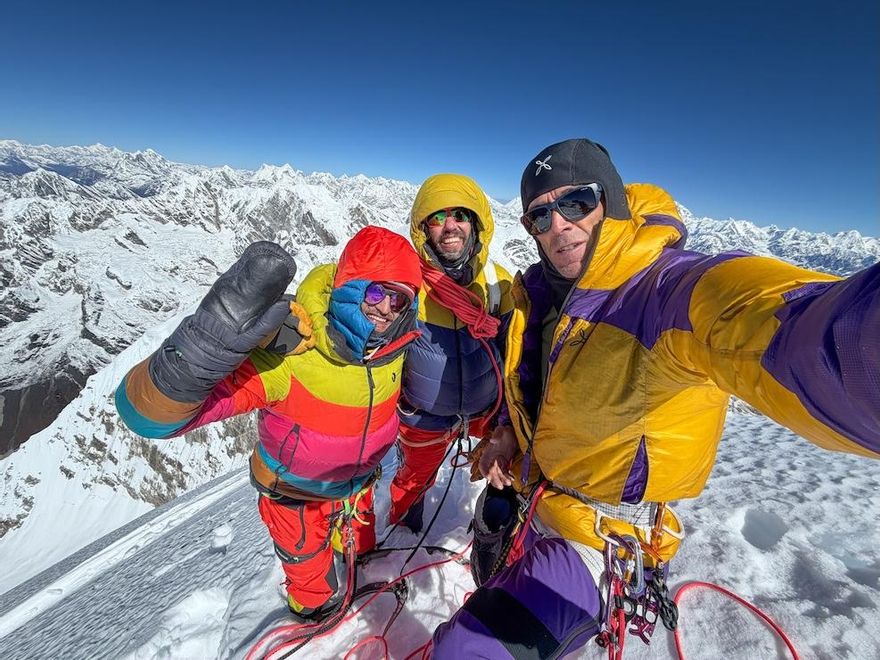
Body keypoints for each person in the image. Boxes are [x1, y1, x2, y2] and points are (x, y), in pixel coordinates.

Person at [433, 138, 879, 657]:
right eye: (540, 215)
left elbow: (790, 327)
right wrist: (510, 432)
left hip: (604, 538)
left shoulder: (663, 290)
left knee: (467, 649)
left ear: (614, 204)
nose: (558, 224)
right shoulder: (536, 296)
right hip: (543, 501)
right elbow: (543, 388)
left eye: (577, 202)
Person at [115, 226, 423, 621]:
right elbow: (148, 418)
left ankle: (356, 565)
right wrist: (203, 351)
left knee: (358, 547)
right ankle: (312, 612)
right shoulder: (290, 355)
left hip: (357, 488)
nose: (385, 309)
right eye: (375, 292)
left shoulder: (394, 350)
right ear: (348, 285)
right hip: (296, 496)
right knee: (309, 570)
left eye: (399, 299)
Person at [388, 173, 514, 533]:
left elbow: (516, 354)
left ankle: (499, 531)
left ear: (475, 223)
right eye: (437, 218)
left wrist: (507, 420)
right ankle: (400, 536)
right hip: (423, 415)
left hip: (486, 410)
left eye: (459, 214)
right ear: (423, 229)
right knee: (412, 483)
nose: (449, 226)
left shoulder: (497, 284)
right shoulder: (407, 286)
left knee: (509, 468)